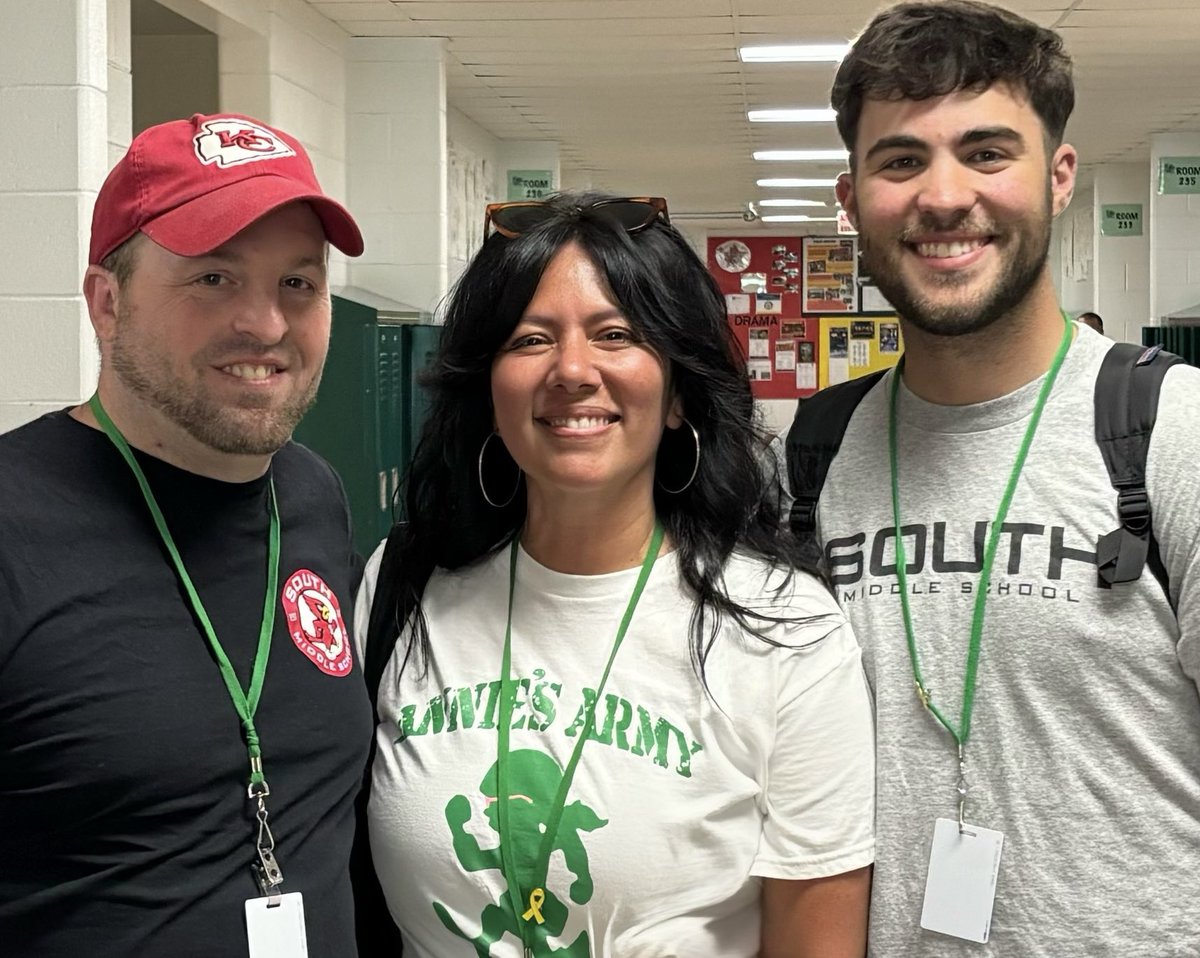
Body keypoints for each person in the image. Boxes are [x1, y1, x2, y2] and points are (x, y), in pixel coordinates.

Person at [355, 192, 875, 957]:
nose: (572, 370)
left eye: (616, 335)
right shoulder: (402, 587)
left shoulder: (787, 631)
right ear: (489, 388)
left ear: (677, 393)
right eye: (531, 339)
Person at [788, 2, 1200, 955]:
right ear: (851, 199)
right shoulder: (812, 457)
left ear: (1058, 177)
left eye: (985, 153)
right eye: (900, 161)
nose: (943, 197)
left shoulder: (1171, 433)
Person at [0, 113, 374, 955]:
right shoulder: (14, 524)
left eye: (298, 282)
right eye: (213, 278)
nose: (266, 325)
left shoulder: (312, 496)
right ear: (107, 302)